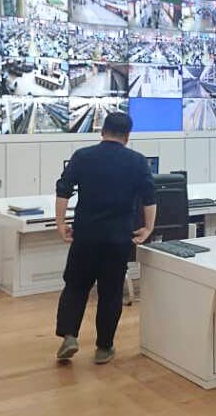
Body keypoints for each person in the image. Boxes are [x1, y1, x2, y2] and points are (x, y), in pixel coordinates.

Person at [53, 112, 157, 365]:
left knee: (75, 286)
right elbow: (149, 197)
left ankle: (69, 335)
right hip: (118, 239)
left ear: (102, 131)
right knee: (110, 293)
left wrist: (61, 224)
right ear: (128, 136)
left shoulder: (83, 156)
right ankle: (104, 347)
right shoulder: (137, 161)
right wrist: (148, 228)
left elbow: (63, 190)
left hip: (85, 236)